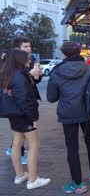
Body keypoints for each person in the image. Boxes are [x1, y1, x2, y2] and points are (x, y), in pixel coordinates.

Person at [47, 42, 90, 194]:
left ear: (65, 54)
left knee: (72, 148)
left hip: (67, 113)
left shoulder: (57, 71)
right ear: (79, 52)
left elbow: (51, 98)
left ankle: (78, 184)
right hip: (87, 110)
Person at [0, 49, 51, 189]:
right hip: (24, 115)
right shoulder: (19, 76)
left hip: (15, 115)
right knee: (34, 144)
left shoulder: (9, 74)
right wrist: (33, 118)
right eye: (28, 58)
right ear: (20, 60)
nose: (30, 60)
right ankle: (33, 180)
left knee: (17, 143)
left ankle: (20, 175)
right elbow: (24, 100)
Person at [5, 36, 43, 164]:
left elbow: (32, 81)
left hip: (24, 104)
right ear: (17, 49)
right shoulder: (9, 62)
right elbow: (17, 84)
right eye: (25, 47)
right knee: (31, 142)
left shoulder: (29, 61)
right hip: (19, 106)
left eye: (29, 46)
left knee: (18, 138)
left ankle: (19, 169)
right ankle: (29, 174)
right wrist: (32, 118)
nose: (29, 49)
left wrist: (36, 76)